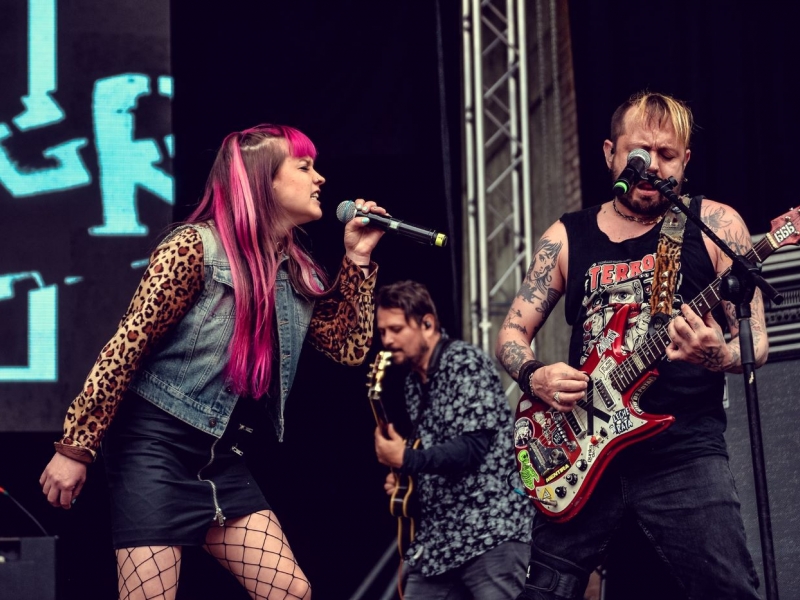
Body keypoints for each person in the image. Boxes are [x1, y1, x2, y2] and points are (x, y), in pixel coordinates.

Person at [39, 123, 386, 600]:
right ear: (263, 182)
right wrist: (76, 445)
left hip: (220, 457)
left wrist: (358, 260)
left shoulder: (296, 269)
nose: (320, 178)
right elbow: (125, 347)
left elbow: (348, 347)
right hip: (155, 449)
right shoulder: (192, 248)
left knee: (291, 593)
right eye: (304, 167)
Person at [495, 90, 769, 600]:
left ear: (686, 161)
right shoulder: (567, 236)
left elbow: (755, 344)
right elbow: (511, 333)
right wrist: (536, 375)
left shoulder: (717, 226)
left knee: (728, 588)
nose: (653, 166)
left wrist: (718, 353)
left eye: (668, 156)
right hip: (578, 449)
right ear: (611, 154)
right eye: (640, 153)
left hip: (682, 453)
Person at [373, 279, 535, 600]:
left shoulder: (464, 362)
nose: (387, 340)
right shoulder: (412, 384)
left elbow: (471, 449)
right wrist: (407, 481)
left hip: (490, 531)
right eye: (382, 332)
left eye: (395, 329)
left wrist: (406, 459)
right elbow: (437, 456)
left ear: (428, 324)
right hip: (440, 540)